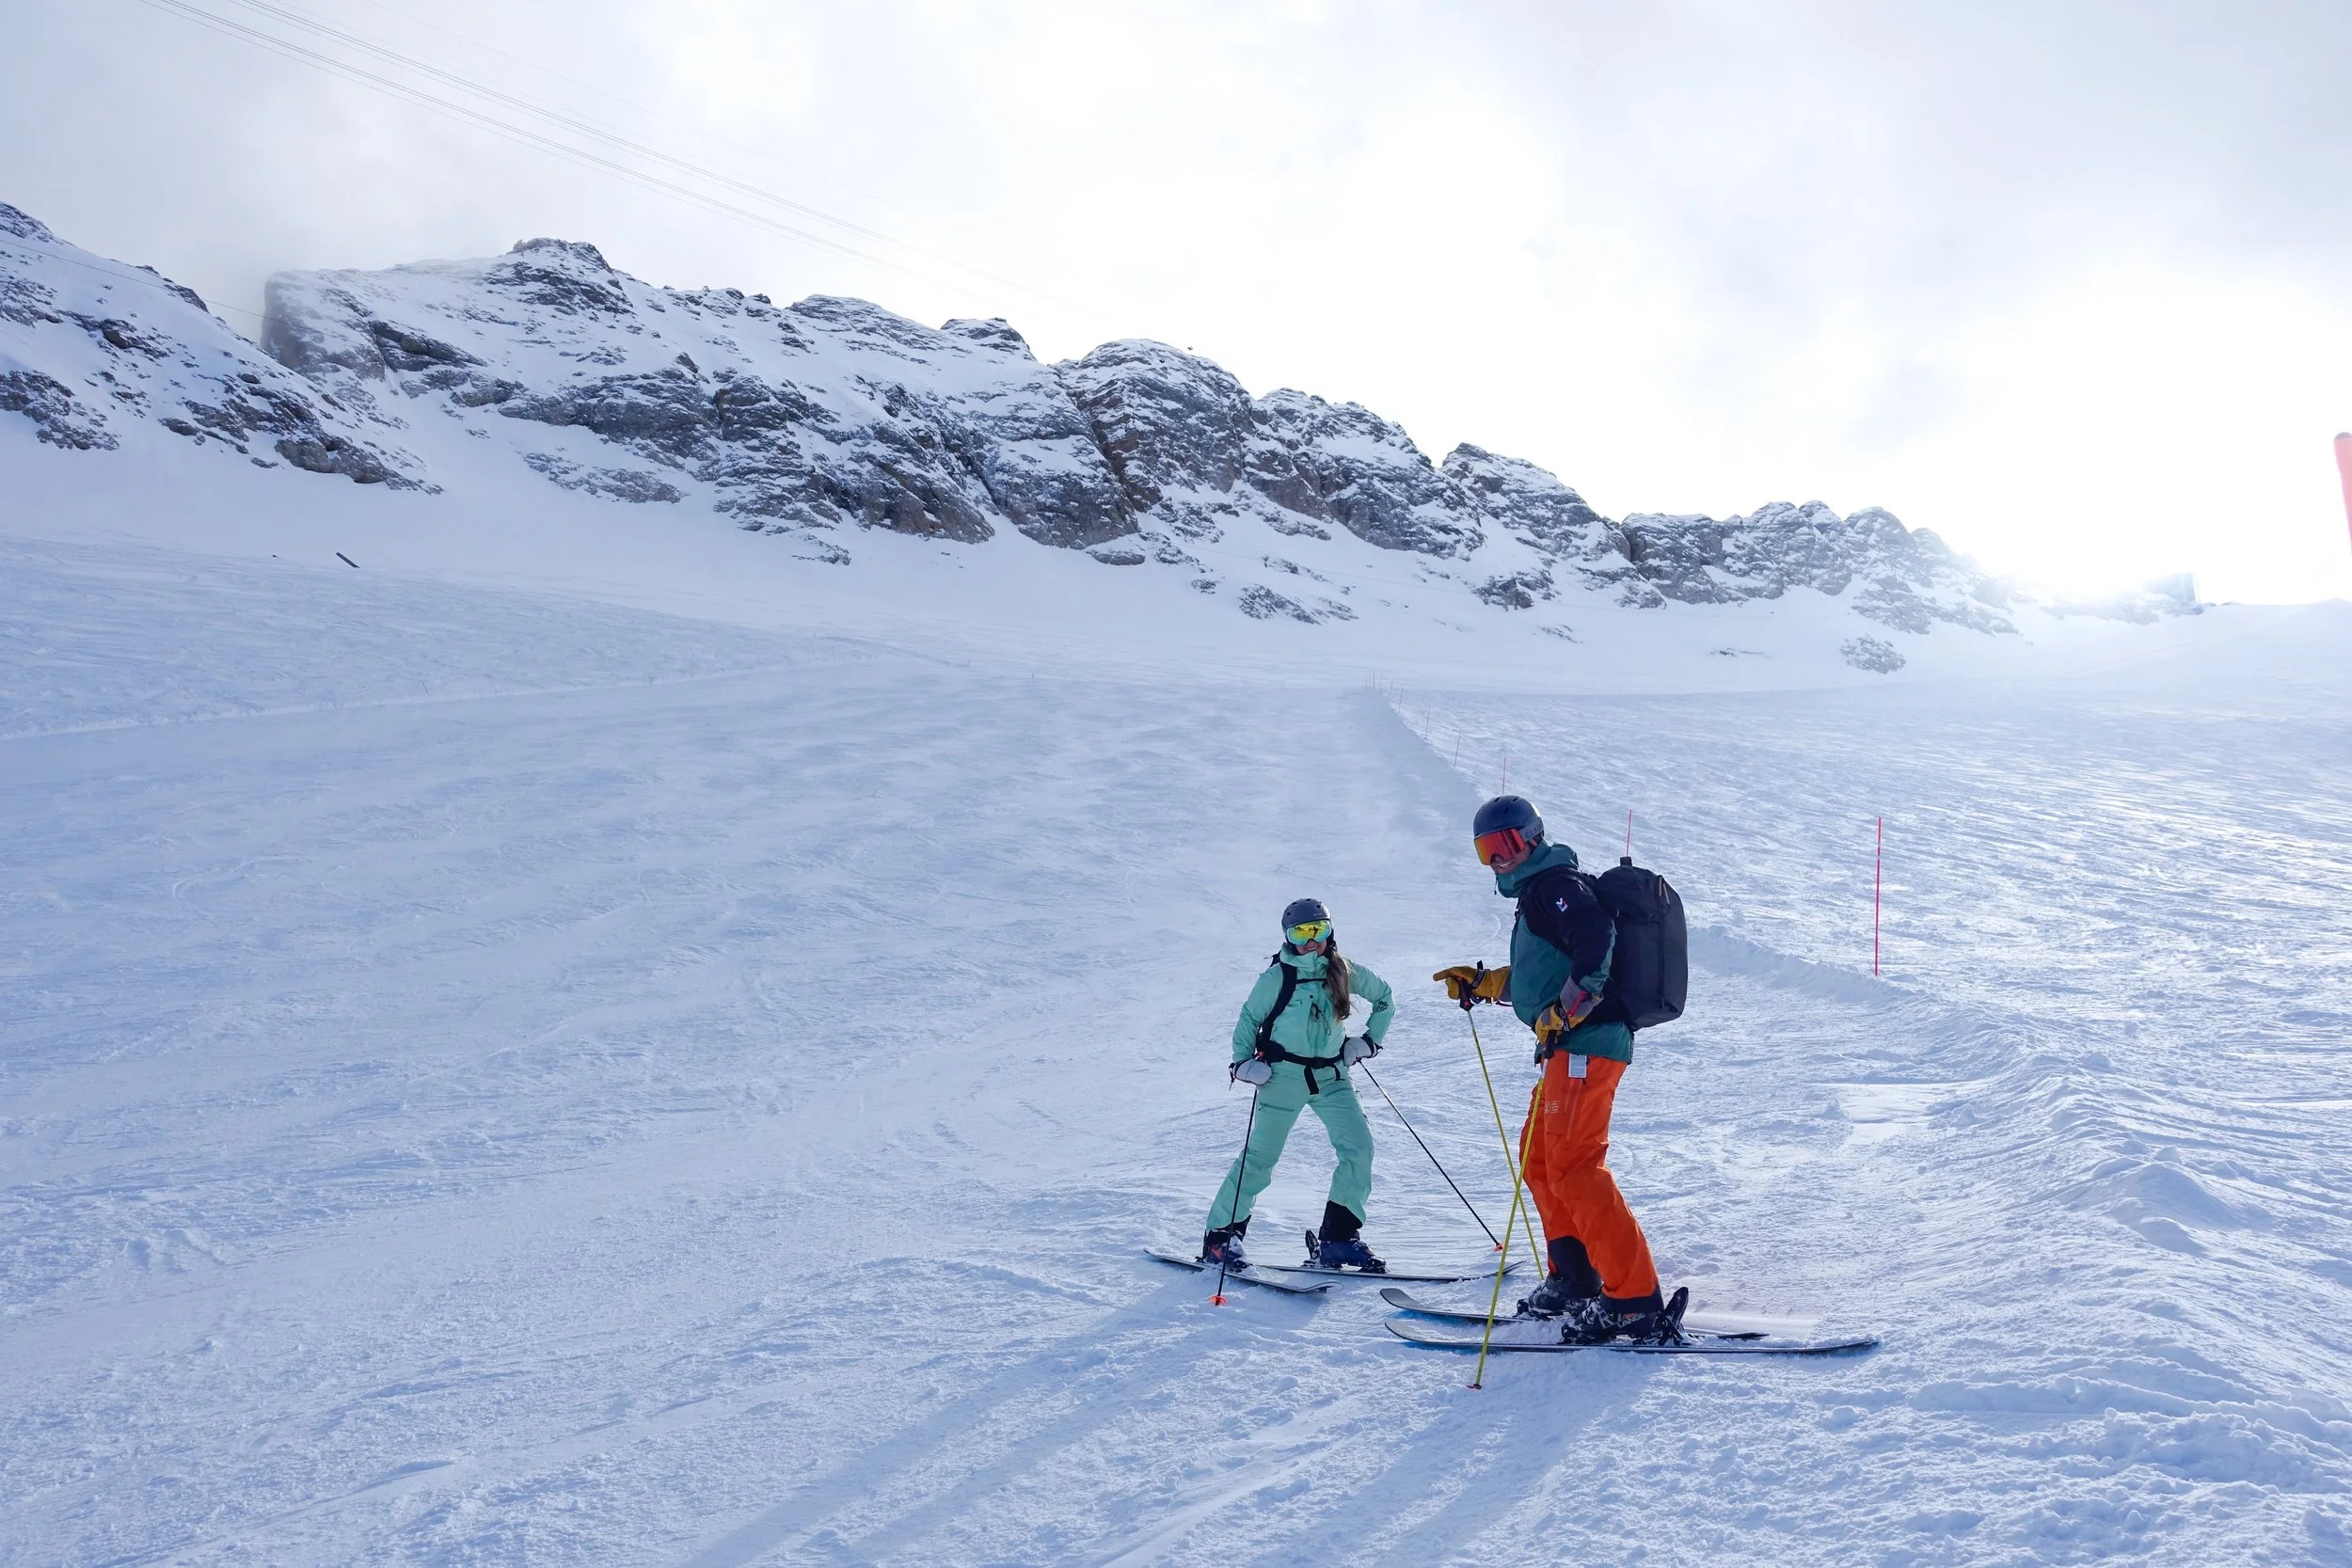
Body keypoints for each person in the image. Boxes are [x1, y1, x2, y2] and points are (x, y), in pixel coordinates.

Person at [1435, 796, 1685, 1343]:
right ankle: (1575, 1277)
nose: (1499, 859)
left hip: (1585, 1045)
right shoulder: (1539, 895)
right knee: (1542, 1161)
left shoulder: (1556, 885)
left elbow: (1596, 939)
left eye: (1507, 845)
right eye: (1486, 850)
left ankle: (1633, 1301)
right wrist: (1486, 985)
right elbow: (1543, 974)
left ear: (1533, 838)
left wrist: (1567, 1010)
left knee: (1574, 1167)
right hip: (1566, 1048)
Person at [1201, 898, 1396, 1272]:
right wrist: (1242, 1064)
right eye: (1301, 933)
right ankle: (1221, 1238)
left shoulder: (1344, 970)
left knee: (1359, 1148)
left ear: (1330, 931)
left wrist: (1369, 1041)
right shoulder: (1276, 978)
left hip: (1332, 1077)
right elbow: (1248, 1019)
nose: (1311, 942)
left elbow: (1385, 999)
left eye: (1318, 931)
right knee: (1261, 1158)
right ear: (1288, 938)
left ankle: (1338, 1238)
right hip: (1283, 1078)